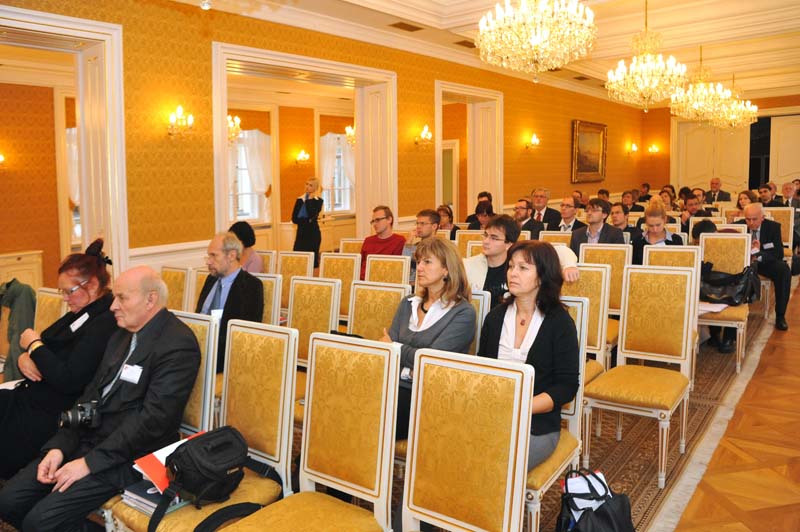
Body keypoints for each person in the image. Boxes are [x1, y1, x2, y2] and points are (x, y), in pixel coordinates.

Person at [0, 266, 201, 532]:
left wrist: (88, 464)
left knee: (40, 522)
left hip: (130, 455)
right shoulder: (121, 335)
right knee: (8, 501)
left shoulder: (177, 344)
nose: (113, 306)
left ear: (150, 299)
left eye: (122, 298)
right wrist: (58, 447)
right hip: (88, 440)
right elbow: (90, 395)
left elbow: (152, 421)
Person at [0, 240, 118, 480]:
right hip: (32, 396)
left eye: (69, 291)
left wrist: (33, 346)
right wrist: (25, 356)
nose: (65, 298)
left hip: (53, 412)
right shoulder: (83, 312)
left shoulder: (104, 321)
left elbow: (68, 379)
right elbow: (46, 343)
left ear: (92, 285)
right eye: (61, 292)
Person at [478, 241, 579, 470]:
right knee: (452, 448)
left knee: (496, 463)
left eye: (523, 268)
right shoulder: (495, 317)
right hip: (491, 414)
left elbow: (566, 386)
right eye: (511, 266)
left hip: (536, 422)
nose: (513, 273)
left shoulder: (560, 323)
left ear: (542, 276)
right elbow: (481, 370)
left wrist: (519, 406)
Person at [382, 238, 476, 440]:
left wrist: (396, 348)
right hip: (391, 385)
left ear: (446, 269)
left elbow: (431, 360)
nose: (419, 268)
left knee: (372, 422)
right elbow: (386, 354)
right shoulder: (407, 303)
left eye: (427, 262)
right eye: (418, 262)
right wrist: (410, 367)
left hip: (428, 397)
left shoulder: (462, 313)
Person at [464, 215, 579, 308]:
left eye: (494, 238)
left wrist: (569, 265)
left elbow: (561, 250)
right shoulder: (469, 265)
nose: (485, 241)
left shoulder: (517, 262)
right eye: (485, 235)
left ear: (509, 244)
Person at [195, 232, 263, 372]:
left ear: (231, 255)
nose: (208, 262)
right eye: (208, 256)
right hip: (198, 346)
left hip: (224, 355)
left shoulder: (251, 286)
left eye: (214, 256)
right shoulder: (211, 279)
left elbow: (245, 335)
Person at [736, 203, 791, 330]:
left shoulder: (773, 227)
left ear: (762, 217)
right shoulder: (738, 226)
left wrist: (758, 253)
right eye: (748, 219)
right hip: (743, 263)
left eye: (754, 219)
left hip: (764, 262)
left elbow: (778, 253)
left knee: (783, 270)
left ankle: (780, 316)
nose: (750, 223)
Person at [360, 205, 406, 279]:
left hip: (383, 281)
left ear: (389, 219)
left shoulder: (399, 241)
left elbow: (396, 270)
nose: (374, 224)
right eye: (373, 221)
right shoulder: (368, 241)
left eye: (378, 220)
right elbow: (360, 265)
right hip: (362, 281)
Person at [291, 178, 324, 268]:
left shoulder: (319, 201)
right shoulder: (299, 200)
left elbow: (312, 214)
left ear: (315, 188)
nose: (307, 187)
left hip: (313, 234)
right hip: (301, 234)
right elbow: (294, 219)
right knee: (298, 261)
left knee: (312, 263)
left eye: (310, 185)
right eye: (306, 184)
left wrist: (309, 200)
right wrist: (307, 220)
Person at [403, 209, 440, 284]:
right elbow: (405, 264)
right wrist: (409, 240)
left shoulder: (438, 248)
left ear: (434, 226)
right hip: (410, 285)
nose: (418, 227)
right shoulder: (416, 246)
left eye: (422, 224)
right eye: (417, 223)